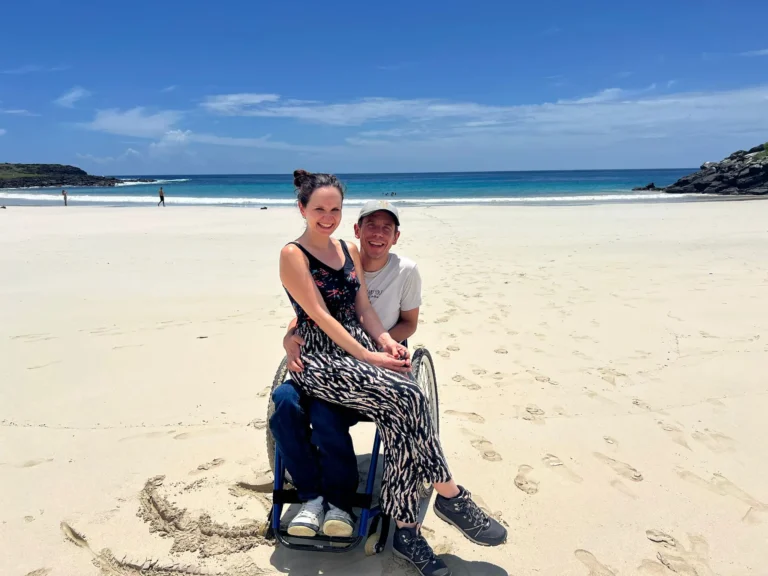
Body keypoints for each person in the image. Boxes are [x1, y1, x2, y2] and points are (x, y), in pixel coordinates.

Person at [278, 170, 506, 576]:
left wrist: (385, 343)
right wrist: (370, 356)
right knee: (408, 396)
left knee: (402, 409)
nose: (327, 216)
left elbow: (362, 310)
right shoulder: (292, 254)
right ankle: (450, 494)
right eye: (319, 209)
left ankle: (406, 530)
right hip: (319, 359)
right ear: (302, 209)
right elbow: (319, 317)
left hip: (356, 350)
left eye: (334, 208)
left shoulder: (347, 248)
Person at [270, 198, 421, 540]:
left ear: (396, 236)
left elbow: (389, 318)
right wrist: (289, 335)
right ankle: (312, 494)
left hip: (368, 360)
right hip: (324, 358)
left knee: (324, 413)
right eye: (371, 225)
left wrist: (377, 349)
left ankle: (338, 500)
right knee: (283, 403)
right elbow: (311, 311)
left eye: (387, 228)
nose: (378, 234)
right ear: (357, 229)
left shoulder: (403, 270)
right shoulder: (334, 256)